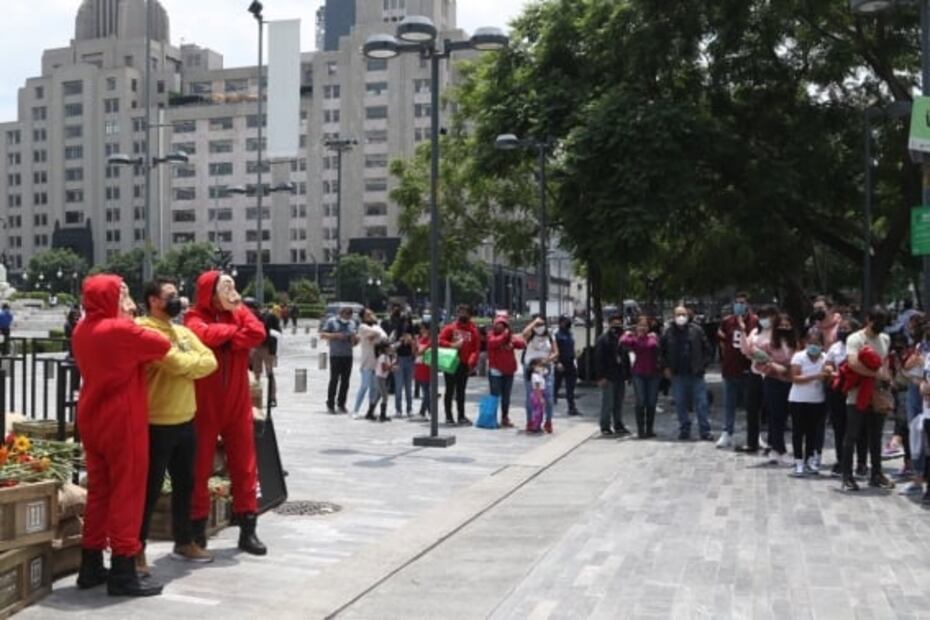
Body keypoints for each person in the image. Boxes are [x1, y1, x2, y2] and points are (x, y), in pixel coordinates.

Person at [72, 274, 171, 596]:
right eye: (122, 294)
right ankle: (123, 569)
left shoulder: (82, 329)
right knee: (128, 492)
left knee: (99, 492)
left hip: (91, 416)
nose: (128, 301)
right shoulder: (119, 329)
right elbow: (161, 344)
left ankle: (90, 564)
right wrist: (128, 317)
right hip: (122, 418)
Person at [137, 278, 218, 573]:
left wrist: (187, 365)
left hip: (187, 419)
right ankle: (137, 549)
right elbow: (174, 364)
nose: (178, 300)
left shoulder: (182, 331)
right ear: (153, 300)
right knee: (149, 490)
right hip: (156, 422)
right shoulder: (145, 330)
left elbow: (210, 362)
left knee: (186, 484)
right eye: (170, 296)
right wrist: (189, 365)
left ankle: (184, 541)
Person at [184, 270, 268, 554]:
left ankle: (248, 528)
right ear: (211, 292)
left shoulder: (240, 311)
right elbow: (202, 334)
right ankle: (197, 529)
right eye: (226, 286)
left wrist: (227, 339)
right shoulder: (194, 316)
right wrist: (234, 336)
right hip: (204, 404)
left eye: (233, 286)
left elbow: (258, 331)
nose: (233, 292)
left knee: (245, 465)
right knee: (200, 467)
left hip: (237, 403)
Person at [840, 306, 894, 492]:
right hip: (858, 393)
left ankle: (876, 474)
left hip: (878, 394)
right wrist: (877, 375)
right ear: (868, 319)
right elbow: (853, 364)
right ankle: (847, 475)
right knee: (852, 435)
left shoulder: (885, 338)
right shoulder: (855, 339)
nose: (880, 325)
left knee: (876, 436)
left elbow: (885, 362)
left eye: (883, 321)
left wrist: (886, 379)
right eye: (876, 320)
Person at [660, 306, 713, 441]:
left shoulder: (696, 330)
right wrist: (665, 367)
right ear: (673, 316)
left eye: (683, 314)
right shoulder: (667, 332)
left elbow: (708, 349)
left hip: (696, 374)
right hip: (677, 375)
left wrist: (702, 365)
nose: (681, 317)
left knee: (702, 403)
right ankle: (684, 429)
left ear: (688, 315)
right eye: (678, 314)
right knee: (680, 403)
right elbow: (661, 353)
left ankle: (705, 430)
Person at [824, 318, 867, 477]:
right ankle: (841, 460)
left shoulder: (862, 346)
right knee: (839, 427)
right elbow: (828, 363)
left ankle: (861, 463)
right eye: (840, 328)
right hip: (838, 390)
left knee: (860, 429)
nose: (842, 331)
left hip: (857, 390)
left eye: (846, 328)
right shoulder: (835, 347)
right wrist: (829, 369)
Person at [716, 293, 758, 449]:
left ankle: (755, 434)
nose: (739, 305)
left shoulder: (755, 321)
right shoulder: (727, 321)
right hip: (730, 368)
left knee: (752, 405)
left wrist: (743, 328)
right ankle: (727, 432)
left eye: (742, 303)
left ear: (748, 305)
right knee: (729, 404)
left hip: (748, 368)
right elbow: (722, 341)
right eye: (737, 303)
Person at [758, 313, 797, 465]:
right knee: (775, 415)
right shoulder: (768, 344)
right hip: (773, 380)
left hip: (791, 381)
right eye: (781, 325)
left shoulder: (796, 343)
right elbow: (759, 363)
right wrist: (773, 366)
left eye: (787, 325)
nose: (784, 328)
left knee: (787, 415)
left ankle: (778, 448)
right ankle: (778, 448)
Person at [788, 332, 829, 477]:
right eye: (811, 343)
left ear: (822, 345)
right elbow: (795, 377)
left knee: (813, 432)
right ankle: (798, 461)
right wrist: (815, 376)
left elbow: (829, 375)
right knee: (798, 432)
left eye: (817, 343)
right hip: (798, 399)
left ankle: (810, 459)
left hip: (817, 400)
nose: (813, 346)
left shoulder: (825, 358)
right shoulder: (799, 356)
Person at [739, 305, 778, 453]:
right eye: (761, 316)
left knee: (772, 409)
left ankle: (773, 443)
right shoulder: (756, 332)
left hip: (772, 373)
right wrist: (743, 331)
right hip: (755, 372)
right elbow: (745, 349)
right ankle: (752, 442)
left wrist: (767, 357)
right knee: (752, 409)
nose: (764, 320)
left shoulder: (778, 333)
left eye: (767, 316)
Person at [439, 304, 480, 425]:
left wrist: (471, 362)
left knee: (461, 391)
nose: (462, 314)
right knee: (449, 390)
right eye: (460, 312)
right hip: (450, 362)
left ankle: (461, 416)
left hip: (464, 364)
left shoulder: (473, 331)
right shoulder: (450, 328)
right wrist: (452, 345)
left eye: (465, 312)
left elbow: (475, 349)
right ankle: (448, 416)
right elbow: (440, 341)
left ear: (469, 314)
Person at [621, 315, 661, 439]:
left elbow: (660, 348)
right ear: (636, 326)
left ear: (648, 327)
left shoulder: (653, 337)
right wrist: (627, 333)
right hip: (638, 373)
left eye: (645, 325)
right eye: (640, 325)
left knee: (651, 401)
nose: (642, 328)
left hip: (654, 373)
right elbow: (622, 341)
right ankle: (640, 430)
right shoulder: (633, 339)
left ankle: (649, 429)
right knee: (641, 400)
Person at [595, 314, 632, 437]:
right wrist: (600, 376)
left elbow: (625, 357)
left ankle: (618, 424)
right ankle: (605, 425)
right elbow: (599, 359)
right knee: (608, 402)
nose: (617, 326)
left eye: (619, 323)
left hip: (620, 375)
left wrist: (628, 374)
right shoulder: (603, 339)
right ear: (609, 323)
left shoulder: (622, 339)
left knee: (619, 402)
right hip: (608, 376)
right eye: (614, 323)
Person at [521, 316, 559, 434]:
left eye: (541, 324)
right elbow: (524, 333)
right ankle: (530, 421)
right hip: (531, 367)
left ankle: (548, 421)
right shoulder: (531, 335)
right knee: (531, 396)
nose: (539, 327)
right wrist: (534, 323)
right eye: (537, 324)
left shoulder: (550, 335)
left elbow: (556, 352)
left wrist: (547, 360)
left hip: (545, 367)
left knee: (548, 396)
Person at [486, 314, 525, 428]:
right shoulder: (491, 335)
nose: (500, 327)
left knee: (506, 396)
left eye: (503, 325)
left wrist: (512, 343)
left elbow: (521, 344)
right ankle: (491, 418)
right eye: (498, 325)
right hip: (495, 370)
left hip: (509, 371)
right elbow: (493, 343)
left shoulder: (510, 337)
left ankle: (505, 417)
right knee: (494, 395)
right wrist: (504, 335)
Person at [321, 306, 359, 414]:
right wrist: (336, 336)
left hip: (348, 355)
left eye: (350, 315)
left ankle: (342, 403)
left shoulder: (352, 323)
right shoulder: (332, 322)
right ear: (341, 313)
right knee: (334, 379)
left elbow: (355, 340)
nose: (348, 317)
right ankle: (330, 403)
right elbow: (323, 335)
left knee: (345, 381)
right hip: (336, 355)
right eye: (346, 314)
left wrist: (355, 340)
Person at [353, 308, 388, 419]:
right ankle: (356, 410)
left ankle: (370, 411)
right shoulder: (362, 327)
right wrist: (376, 335)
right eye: (368, 314)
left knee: (374, 388)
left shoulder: (375, 326)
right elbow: (379, 334)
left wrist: (375, 336)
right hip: (367, 362)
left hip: (376, 363)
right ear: (363, 317)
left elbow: (384, 337)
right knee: (364, 386)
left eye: (371, 313)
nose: (371, 316)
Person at [248, 299, 282, 408]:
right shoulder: (251, 318)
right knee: (256, 374)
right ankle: (256, 397)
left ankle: (272, 397)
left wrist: (274, 349)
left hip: (267, 348)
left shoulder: (269, 317)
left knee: (269, 373)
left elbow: (278, 333)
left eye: (250, 309)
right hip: (255, 347)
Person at [385, 308, 416, 418]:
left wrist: (412, 342)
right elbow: (389, 348)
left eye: (408, 321)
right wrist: (400, 341)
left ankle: (409, 409)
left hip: (410, 360)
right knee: (398, 386)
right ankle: (398, 409)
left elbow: (417, 348)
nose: (406, 324)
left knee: (408, 386)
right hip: (398, 360)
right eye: (403, 321)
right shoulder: (395, 333)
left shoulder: (413, 333)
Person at [553, 316, 580, 416]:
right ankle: (551, 403)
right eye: (565, 322)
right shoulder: (557, 335)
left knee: (571, 386)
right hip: (561, 363)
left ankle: (571, 407)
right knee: (556, 385)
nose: (567, 323)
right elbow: (554, 350)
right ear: (560, 323)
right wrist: (557, 362)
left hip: (570, 363)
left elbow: (572, 347)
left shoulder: (569, 333)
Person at [367, 341, 395, 422]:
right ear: (386, 348)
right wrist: (392, 367)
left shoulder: (385, 356)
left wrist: (391, 367)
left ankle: (369, 413)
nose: (391, 348)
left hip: (381, 377)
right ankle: (382, 415)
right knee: (385, 396)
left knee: (378, 396)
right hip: (380, 378)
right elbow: (384, 368)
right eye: (389, 347)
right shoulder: (383, 356)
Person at [414, 322, 433, 418]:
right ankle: (428, 411)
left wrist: (417, 347)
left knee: (426, 391)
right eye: (421, 329)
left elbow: (420, 352)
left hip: (427, 367)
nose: (422, 330)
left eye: (424, 328)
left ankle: (424, 412)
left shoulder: (431, 340)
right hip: (419, 366)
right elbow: (415, 352)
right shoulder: (420, 339)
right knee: (425, 391)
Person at [527, 358, 548, 433]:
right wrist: (540, 398)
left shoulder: (540, 374)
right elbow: (537, 388)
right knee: (537, 411)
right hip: (537, 394)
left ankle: (538, 425)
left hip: (539, 393)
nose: (541, 367)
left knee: (540, 411)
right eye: (539, 365)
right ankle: (535, 426)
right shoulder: (535, 376)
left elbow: (546, 371)